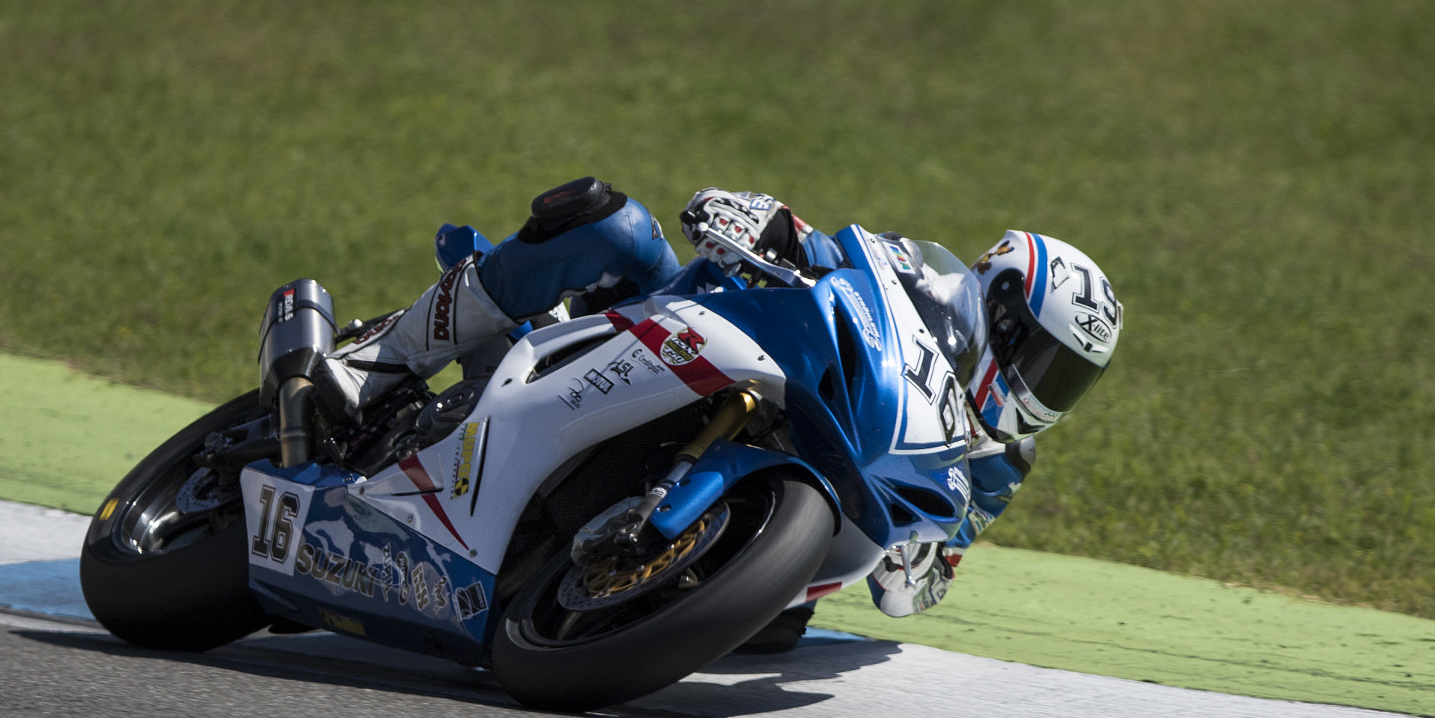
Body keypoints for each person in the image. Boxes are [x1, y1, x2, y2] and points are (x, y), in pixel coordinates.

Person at [312, 176, 1121, 648]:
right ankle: (381, 360)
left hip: (780, 527)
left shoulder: (996, 470)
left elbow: (912, 591)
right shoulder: (914, 274)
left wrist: (922, 560)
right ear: (1001, 314)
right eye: (1041, 360)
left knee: (772, 633)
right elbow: (831, 252)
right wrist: (766, 225)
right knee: (611, 224)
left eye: (1067, 381)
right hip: (706, 341)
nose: (1042, 389)